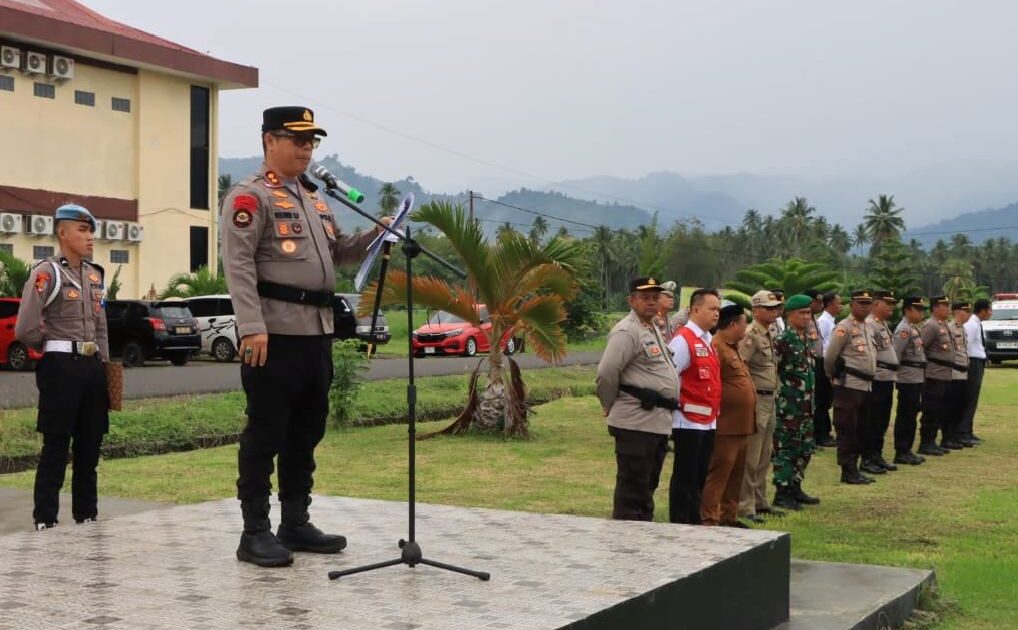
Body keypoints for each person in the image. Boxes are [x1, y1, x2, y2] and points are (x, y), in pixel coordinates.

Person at [221, 106, 392, 567]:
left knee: (306, 430)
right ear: (268, 141)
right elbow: (238, 265)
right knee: (265, 432)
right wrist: (251, 327)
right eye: (297, 139)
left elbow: (339, 252)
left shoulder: (315, 199)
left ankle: (294, 522)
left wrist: (377, 234)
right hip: (273, 334)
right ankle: (254, 531)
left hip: (316, 334)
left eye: (311, 141)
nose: (306, 148)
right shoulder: (250, 197)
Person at [15, 204, 109, 531]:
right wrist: (51, 346)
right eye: (82, 230)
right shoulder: (47, 272)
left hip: (92, 367)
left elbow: (101, 326)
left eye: (90, 231)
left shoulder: (95, 275)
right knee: (56, 445)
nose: (89, 237)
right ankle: (46, 518)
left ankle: (87, 516)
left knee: (89, 446)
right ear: (62, 233)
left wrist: (105, 367)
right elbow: (25, 327)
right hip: (61, 366)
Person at [597, 277, 680, 522]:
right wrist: (608, 403)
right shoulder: (627, 331)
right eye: (645, 298)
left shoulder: (651, 328)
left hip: (655, 422)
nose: (651, 302)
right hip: (635, 422)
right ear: (631, 300)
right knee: (633, 491)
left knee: (646, 488)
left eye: (655, 297)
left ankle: (642, 534)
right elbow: (607, 372)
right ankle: (627, 539)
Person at [667, 288, 722, 524]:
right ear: (695, 310)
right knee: (685, 476)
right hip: (687, 420)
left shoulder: (708, 340)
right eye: (712, 309)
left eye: (718, 309)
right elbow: (670, 377)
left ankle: (693, 520)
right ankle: (681, 522)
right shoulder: (683, 340)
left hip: (707, 420)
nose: (717, 314)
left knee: (699, 475)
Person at [701, 303, 755, 528]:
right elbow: (712, 384)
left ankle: (728, 517)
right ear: (733, 325)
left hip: (741, 425)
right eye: (744, 323)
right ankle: (709, 517)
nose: (746, 328)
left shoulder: (733, 347)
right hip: (726, 425)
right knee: (719, 473)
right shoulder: (716, 347)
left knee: (735, 475)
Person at [738, 290, 784, 524]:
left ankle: (760, 500)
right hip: (757, 399)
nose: (774, 312)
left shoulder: (770, 332)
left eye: (775, 307)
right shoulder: (751, 334)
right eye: (768, 308)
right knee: (751, 456)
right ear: (755, 311)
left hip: (770, 398)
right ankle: (745, 505)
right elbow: (741, 365)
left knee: (765, 454)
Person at [771, 294, 819, 510]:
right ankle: (782, 492)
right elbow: (773, 370)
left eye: (808, 313)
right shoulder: (783, 340)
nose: (806, 317)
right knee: (787, 449)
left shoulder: (806, 339)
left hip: (806, 406)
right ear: (790, 315)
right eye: (802, 313)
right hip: (789, 407)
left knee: (805, 448)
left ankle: (795, 486)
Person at [824, 290, 877, 484]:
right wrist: (832, 375)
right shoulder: (844, 327)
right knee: (847, 428)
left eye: (868, 303)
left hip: (866, 385)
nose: (865, 307)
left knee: (862, 428)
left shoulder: (868, 327)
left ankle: (856, 467)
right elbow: (830, 356)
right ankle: (847, 469)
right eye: (861, 303)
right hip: (849, 384)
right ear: (852, 305)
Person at [861, 290, 900, 474]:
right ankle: (867, 458)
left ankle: (877, 454)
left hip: (887, 378)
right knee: (873, 420)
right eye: (888, 303)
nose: (891, 307)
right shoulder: (870, 324)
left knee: (882, 420)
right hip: (877, 379)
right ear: (876, 304)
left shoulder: (882, 324)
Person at [891, 296, 928, 466]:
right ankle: (902, 450)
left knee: (912, 414)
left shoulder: (913, 328)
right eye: (918, 309)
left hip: (916, 376)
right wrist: (896, 376)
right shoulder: (904, 329)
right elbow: (896, 354)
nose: (921, 313)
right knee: (906, 415)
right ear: (907, 310)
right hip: (907, 378)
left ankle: (907, 449)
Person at [917, 296, 955, 457]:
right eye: (944, 305)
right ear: (935, 308)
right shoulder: (931, 325)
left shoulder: (943, 324)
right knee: (931, 410)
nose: (948, 308)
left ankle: (932, 441)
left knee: (939, 409)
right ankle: (926, 443)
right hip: (933, 374)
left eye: (948, 305)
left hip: (944, 374)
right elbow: (921, 349)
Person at [960, 299, 991, 446]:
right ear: (983, 311)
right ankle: (963, 432)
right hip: (972, 363)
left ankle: (968, 430)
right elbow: (966, 345)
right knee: (969, 398)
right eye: (989, 310)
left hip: (977, 361)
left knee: (973, 399)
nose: (990, 313)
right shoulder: (972, 325)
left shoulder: (977, 323)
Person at [943, 302, 971, 450]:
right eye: (965, 311)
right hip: (953, 373)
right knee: (950, 407)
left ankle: (956, 435)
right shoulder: (950, 328)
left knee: (960, 406)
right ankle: (948, 437)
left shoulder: (962, 328)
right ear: (957, 312)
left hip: (963, 373)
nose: (968, 314)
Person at [814, 291, 841, 446]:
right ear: (830, 304)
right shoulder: (824, 322)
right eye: (838, 303)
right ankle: (820, 435)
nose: (840, 306)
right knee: (822, 401)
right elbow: (822, 347)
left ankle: (825, 432)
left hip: (828, 363)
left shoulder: (831, 321)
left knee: (826, 402)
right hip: (823, 364)